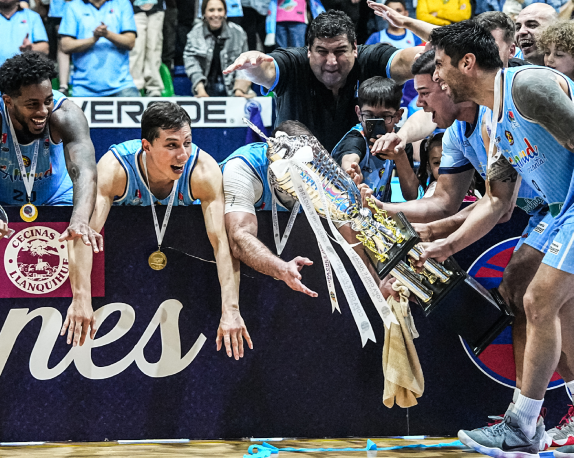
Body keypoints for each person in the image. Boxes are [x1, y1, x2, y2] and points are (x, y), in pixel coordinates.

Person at [423, 21, 574, 458]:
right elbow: (497, 202)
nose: (435, 77)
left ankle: (523, 426)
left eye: (440, 66)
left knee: (537, 300)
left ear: (467, 64)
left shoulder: (529, 85)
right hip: (571, 208)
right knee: (562, 315)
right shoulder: (493, 118)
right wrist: (445, 246)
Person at [67, 101, 249, 354]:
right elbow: (83, 237)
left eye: (187, 142)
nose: (183, 154)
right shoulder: (115, 168)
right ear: (147, 146)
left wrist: (231, 311)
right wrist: (80, 299)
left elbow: (222, 245)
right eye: (172, 145)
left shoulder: (202, 170)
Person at [223, 9, 424, 150]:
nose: (331, 62)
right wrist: (252, 66)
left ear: (354, 47)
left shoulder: (371, 58)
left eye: (340, 51)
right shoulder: (293, 63)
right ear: (308, 50)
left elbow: (408, 59)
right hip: (297, 183)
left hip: (362, 182)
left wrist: (429, 56)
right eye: (322, 51)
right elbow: (266, 70)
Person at [0, 50, 96, 234]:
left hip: (55, 196)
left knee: (79, 230)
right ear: (8, 101)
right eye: (32, 105)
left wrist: (80, 220)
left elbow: (85, 172)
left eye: (48, 101)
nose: (43, 111)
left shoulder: (66, 114)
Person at [221, 119, 320, 297]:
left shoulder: (316, 170)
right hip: (222, 261)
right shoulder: (243, 168)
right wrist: (282, 268)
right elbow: (238, 239)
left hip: (282, 263)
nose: (299, 176)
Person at [331, 76, 418, 202]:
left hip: (380, 214)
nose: (377, 123)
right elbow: (349, 158)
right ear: (359, 113)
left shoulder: (400, 141)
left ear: (398, 115)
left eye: (385, 116)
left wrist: (400, 157)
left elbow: (411, 195)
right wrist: (351, 171)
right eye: (369, 116)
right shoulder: (355, 138)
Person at [59, 0, 138, 97]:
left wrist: (107, 34)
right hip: (83, 88)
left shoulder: (122, 4)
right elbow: (66, 45)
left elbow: (130, 42)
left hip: (122, 86)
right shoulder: (72, 7)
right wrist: (94, 38)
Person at [184, 0, 253, 98]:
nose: (216, 14)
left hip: (234, 90)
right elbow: (192, 64)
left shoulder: (238, 32)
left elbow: (245, 64)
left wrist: (239, 90)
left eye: (220, 10)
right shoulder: (195, 33)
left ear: (225, 13)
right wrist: (200, 89)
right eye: (211, 10)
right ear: (204, 13)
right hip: (205, 89)